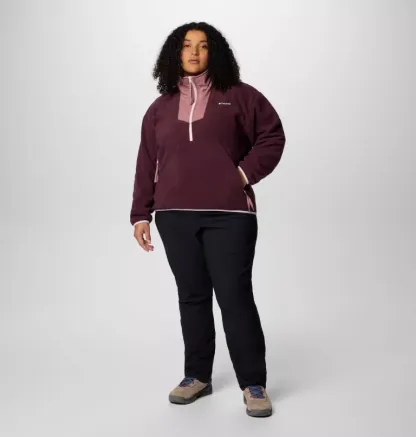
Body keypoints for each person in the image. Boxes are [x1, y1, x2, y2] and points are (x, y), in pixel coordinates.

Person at [130, 21, 286, 418]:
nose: (194, 53)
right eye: (187, 46)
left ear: (214, 52)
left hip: (229, 214)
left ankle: (253, 383)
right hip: (173, 216)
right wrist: (140, 214)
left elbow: (272, 136)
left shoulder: (240, 96)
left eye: (202, 46)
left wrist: (241, 175)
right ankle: (197, 376)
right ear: (176, 53)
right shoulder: (160, 108)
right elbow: (147, 161)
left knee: (235, 297)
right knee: (192, 296)